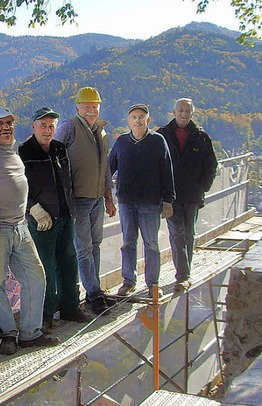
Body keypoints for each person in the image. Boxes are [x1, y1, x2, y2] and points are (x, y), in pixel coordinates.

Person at [0, 105, 60, 355]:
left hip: (20, 225)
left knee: (35, 277)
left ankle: (30, 333)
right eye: (0, 123)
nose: (6, 127)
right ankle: (9, 334)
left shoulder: (15, 148)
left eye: (10, 122)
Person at [19, 107, 91, 331]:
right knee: (46, 268)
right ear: (33, 127)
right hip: (42, 220)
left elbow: (66, 181)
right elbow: (20, 188)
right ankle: (46, 315)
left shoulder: (60, 148)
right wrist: (34, 209)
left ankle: (70, 307)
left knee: (69, 262)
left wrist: (71, 211)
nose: (48, 130)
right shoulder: (25, 152)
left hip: (64, 215)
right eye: (43, 125)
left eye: (51, 126)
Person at [54, 87, 117, 315]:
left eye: (94, 107)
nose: (91, 111)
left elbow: (106, 166)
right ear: (78, 107)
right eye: (87, 107)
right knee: (84, 248)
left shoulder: (100, 130)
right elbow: (55, 155)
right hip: (78, 198)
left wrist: (109, 197)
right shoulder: (69, 127)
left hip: (97, 197)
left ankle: (95, 291)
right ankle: (94, 293)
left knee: (96, 245)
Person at [108, 104, 175, 297]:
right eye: (134, 117)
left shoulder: (157, 141)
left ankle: (153, 284)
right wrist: (105, 195)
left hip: (150, 202)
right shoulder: (121, 142)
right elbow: (109, 168)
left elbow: (167, 171)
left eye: (141, 117)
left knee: (151, 243)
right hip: (127, 201)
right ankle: (129, 281)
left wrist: (168, 199)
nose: (137, 120)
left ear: (148, 120)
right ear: (128, 121)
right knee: (128, 242)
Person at [157, 98, 218, 291]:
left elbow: (211, 166)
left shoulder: (201, 137)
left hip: (192, 195)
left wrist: (202, 187)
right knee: (177, 233)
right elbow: (155, 165)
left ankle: (185, 272)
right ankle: (182, 276)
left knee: (189, 233)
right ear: (173, 112)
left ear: (192, 113)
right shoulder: (162, 135)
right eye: (181, 110)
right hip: (170, 196)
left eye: (187, 111)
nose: (184, 114)